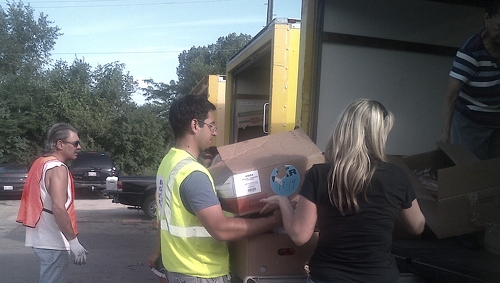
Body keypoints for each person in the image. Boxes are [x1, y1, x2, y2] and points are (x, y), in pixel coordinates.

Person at [261, 99, 426, 283]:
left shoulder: (319, 175)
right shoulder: (397, 177)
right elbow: (417, 226)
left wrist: (283, 202)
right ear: (380, 135)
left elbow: (299, 236)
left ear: (343, 130)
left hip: (329, 277)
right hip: (379, 277)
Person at [147, 95, 281, 283]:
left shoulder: (168, 162)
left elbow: (168, 218)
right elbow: (221, 229)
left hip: (178, 269)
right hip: (200, 272)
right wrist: (274, 220)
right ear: (195, 125)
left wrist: (157, 253)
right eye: (211, 125)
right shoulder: (193, 173)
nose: (215, 133)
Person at [16, 123, 88, 283]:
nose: (79, 147)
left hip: (42, 237)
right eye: (75, 143)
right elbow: (58, 207)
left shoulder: (41, 163)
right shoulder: (58, 168)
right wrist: (74, 242)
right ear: (60, 144)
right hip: (53, 241)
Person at [442, 0, 500, 160]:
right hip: (471, 122)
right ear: (487, 19)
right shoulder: (470, 52)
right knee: (472, 170)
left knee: (494, 172)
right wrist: (445, 135)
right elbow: (451, 96)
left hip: (497, 120)